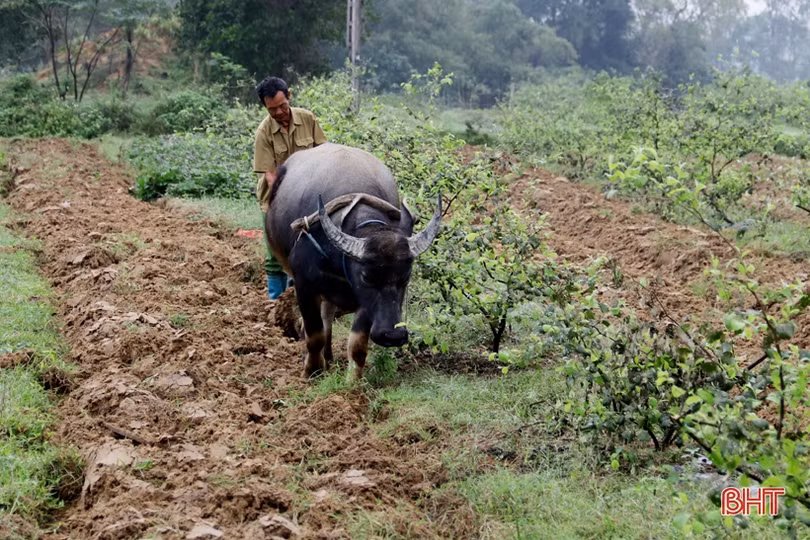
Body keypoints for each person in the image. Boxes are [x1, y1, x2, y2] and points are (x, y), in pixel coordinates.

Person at [253, 76, 327, 299]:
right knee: (275, 254)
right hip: (276, 200)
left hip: (310, 196)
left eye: (282, 106)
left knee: (307, 251)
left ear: (289, 97)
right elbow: (270, 175)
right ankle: (276, 301)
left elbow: (324, 154)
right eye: (272, 109)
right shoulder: (263, 133)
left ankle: (300, 298)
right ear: (265, 107)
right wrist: (288, 201)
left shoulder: (307, 119)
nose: (278, 113)